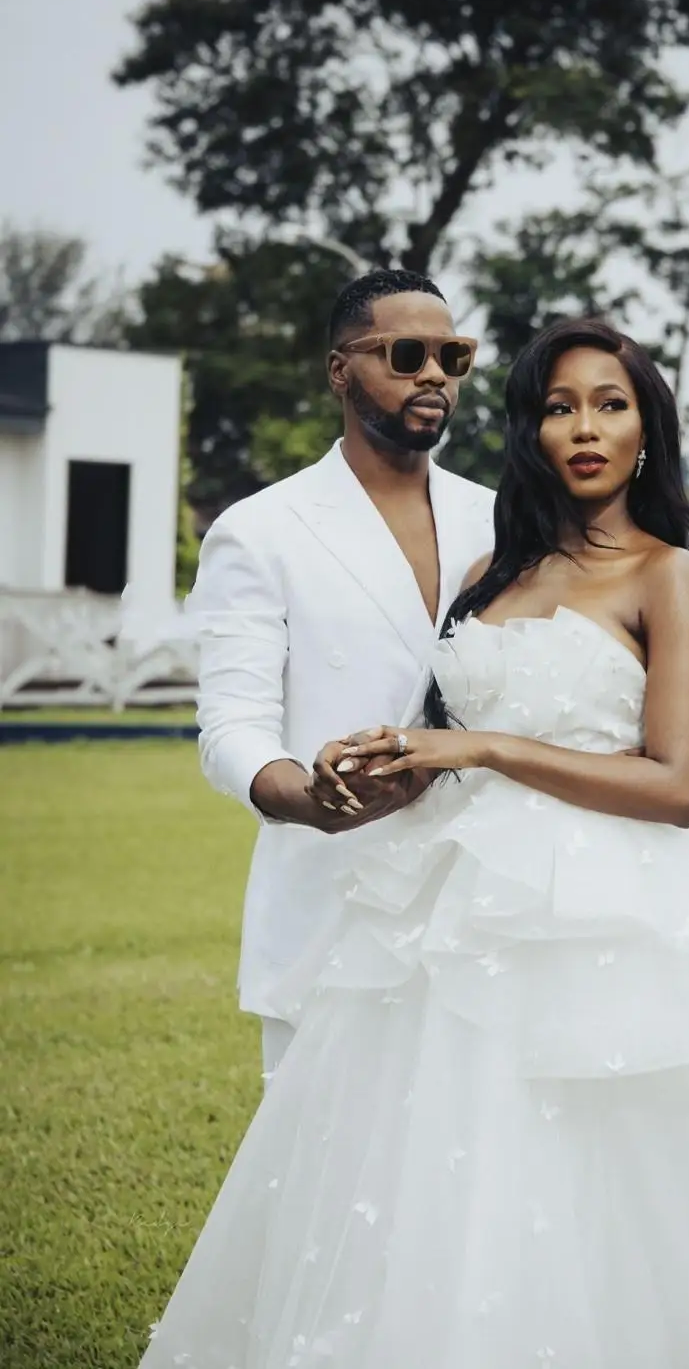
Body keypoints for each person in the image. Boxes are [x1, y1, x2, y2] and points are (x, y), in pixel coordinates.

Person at [141, 319, 689, 1368]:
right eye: (558, 406)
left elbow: (679, 786)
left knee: (624, 1163)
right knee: (447, 1172)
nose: (583, 427)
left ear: (646, 428)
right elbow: (431, 716)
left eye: (609, 403)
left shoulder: (665, 571)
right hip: (452, 909)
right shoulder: (491, 564)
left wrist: (488, 745)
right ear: (529, 428)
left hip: (611, 908)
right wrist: (397, 759)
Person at [184, 267, 494, 1089]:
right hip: (334, 897)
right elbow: (231, 727)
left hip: (486, 900)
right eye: (404, 353)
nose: (432, 374)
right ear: (339, 370)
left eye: (451, 356)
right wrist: (307, 800)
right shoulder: (260, 531)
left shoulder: (502, 518)